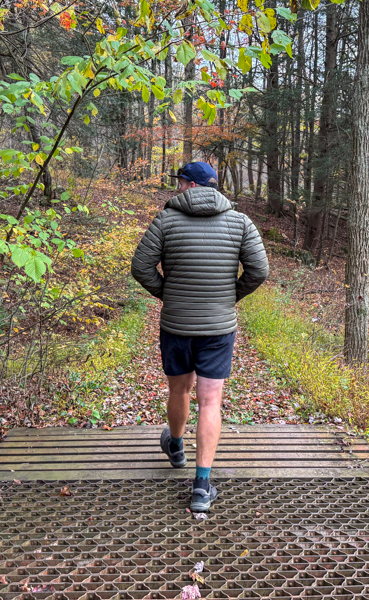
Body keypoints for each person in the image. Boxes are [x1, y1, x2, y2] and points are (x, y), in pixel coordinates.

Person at [131, 161, 269, 512]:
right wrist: (230, 297)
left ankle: (176, 447)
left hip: (177, 325)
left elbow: (141, 267)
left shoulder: (165, 220)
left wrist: (168, 294)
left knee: (179, 389)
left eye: (180, 182)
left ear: (191, 185)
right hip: (218, 328)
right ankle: (202, 488)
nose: (177, 188)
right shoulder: (240, 222)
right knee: (210, 401)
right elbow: (259, 270)